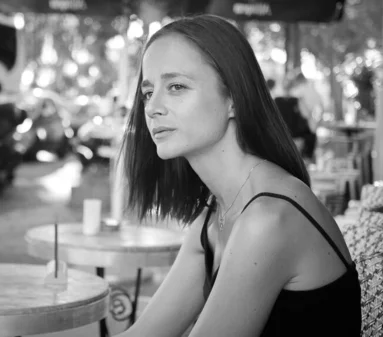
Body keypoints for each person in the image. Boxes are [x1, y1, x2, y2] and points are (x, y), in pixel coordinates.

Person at [119, 15, 360, 337]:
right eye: (148, 92)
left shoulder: (268, 217)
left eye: (176, 86)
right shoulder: (215, 216)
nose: (152, 107)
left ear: (233, 98)